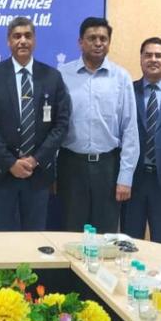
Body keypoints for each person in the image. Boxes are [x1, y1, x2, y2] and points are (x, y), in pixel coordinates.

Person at [0, 17, 71, 231]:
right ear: (8, 41)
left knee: (35, 237)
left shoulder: (52, 77)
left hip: (38, 174)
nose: (22, 41)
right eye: (17, 36)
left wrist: (36, 159)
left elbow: (61, 124)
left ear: (35, 40)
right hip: (2, 173)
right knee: (1, 238)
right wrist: (11, 162)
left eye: (27, 36)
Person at [57, 17, 139, 233]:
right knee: (71, 234)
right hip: (71, 166)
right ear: (80, 42)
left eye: (103, 39)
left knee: (105, 236)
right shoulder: (63, 75)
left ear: (109, 43)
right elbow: (55, 126)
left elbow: (130, 130)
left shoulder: (121, 77)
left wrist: (125, 177)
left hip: (108, 167)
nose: (98, 43)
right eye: (92, 38)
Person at [122, 37, 161, 245]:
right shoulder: (127, 91)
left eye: (158, 55)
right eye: (148, 55)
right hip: (132, 180)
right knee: (129, 244)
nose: (153, 59)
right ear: (141, 59)